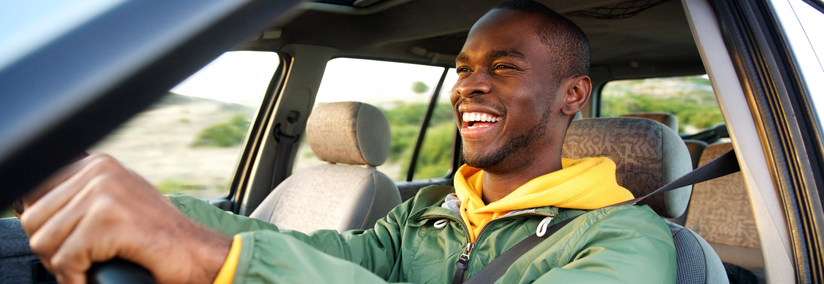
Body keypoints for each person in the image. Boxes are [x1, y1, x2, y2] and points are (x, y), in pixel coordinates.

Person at [18, 0, 676, 283]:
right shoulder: (431, 216)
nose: (469, 85)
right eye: (465, 67)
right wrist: (138, 202)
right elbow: (310, 253)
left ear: (573, 94)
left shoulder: (623, 242)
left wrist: (203, 256)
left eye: (503, 67)